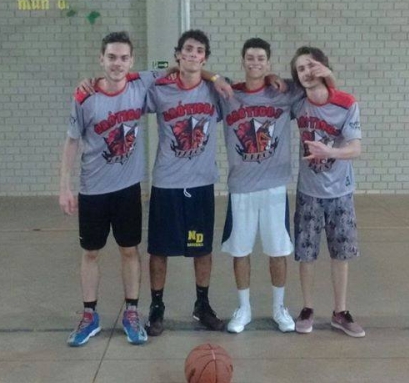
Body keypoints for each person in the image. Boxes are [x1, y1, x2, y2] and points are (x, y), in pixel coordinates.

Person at [59, 31, 152, 347]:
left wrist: (215, 77)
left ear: (132, 61)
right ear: (101, 59)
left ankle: (131, 312)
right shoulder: (84, 97)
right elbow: (72, 142)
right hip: (93, 190)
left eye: (123, 58)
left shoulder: (140, 86)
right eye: (111, 57)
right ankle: (89, 316)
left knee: (130, 250)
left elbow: (182, 70)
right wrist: (64, 186)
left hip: (127, 189)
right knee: (90, 252)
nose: (117, 63)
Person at [145, 29, 228, 336]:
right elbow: (130, 85)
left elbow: (243, 88)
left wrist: (213, 76)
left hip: (201, 182)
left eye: (199, 51)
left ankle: (202, 305)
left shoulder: (216, 90)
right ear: (178, 53)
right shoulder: (160, 89)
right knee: (159, 249)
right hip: (167, 182)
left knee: (201, 248)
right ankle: (157, 306)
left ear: (205, 58)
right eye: (188, 49)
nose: (193, 54)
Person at [219, 38, 304, 333]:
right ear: (242, 61)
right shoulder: (228, 93)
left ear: (268, 63)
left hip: (274, 187)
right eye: (250, 58)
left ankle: (279, 307)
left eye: (260, 58)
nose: (255, 63)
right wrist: (213, 77)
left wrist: (275, 78)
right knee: (240, 250)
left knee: (278, 250)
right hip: (241, 187)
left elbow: (310, 81)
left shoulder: (283, 92)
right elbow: (195, 74)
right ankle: (244, 309)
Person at [289, 46, 365, 337]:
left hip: (340, 192)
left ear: (323, 67)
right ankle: (307, 308)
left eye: (311, 66)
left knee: (341, 253)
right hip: (309, 191)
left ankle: (340, 311)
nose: (306, 73)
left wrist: (329, 151)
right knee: (306, 253)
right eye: (300, 69)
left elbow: (355, 148)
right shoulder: (298, 103)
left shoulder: (347, 103)